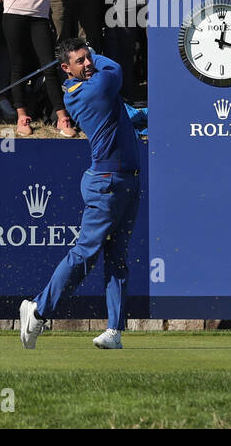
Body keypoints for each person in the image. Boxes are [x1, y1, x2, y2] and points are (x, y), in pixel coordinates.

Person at [19, 37, 141, 352]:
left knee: (117, 258)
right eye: (81, 61)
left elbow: (130, 114)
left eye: (88, 58)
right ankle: (38, 310)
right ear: (65, 69)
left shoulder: (98, 88)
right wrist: (97, 52)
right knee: (85, 252)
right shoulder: (87, 91)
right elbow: (114, 69)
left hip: (125, 182)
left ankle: (114, 329)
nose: (88, 64)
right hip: (106, 183)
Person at [2, 0, 75, 137]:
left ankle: (62, 117)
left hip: (39, 16)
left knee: (48, 65)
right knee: (17, 64)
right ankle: (22, 115)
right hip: (14, 15)